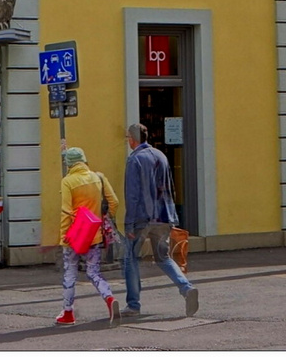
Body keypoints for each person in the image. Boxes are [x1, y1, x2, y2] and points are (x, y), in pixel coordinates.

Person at [121, 123, 198, 318]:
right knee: (163, 257)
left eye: (128, 137)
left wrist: (129, 224)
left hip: (142, 218)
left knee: (130, 258)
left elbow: (132, 195)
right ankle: (186, 288)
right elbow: (170, 187)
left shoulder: (134, 160)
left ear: (133, 139)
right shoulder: (161, 156)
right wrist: (172, 216)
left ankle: (133, 305)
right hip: (163, 216)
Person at [55, 146, 119, 326]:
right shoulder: (98, 177)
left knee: (70, 272)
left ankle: (68, 313)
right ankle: (109, 299)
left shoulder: (68, 181)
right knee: (93, 272)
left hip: (74, 235)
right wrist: (106, 217)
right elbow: (114, 201)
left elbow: (66, 211)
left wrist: (64, 235)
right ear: (83, 160)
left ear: (69, 163)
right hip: (94, 234)